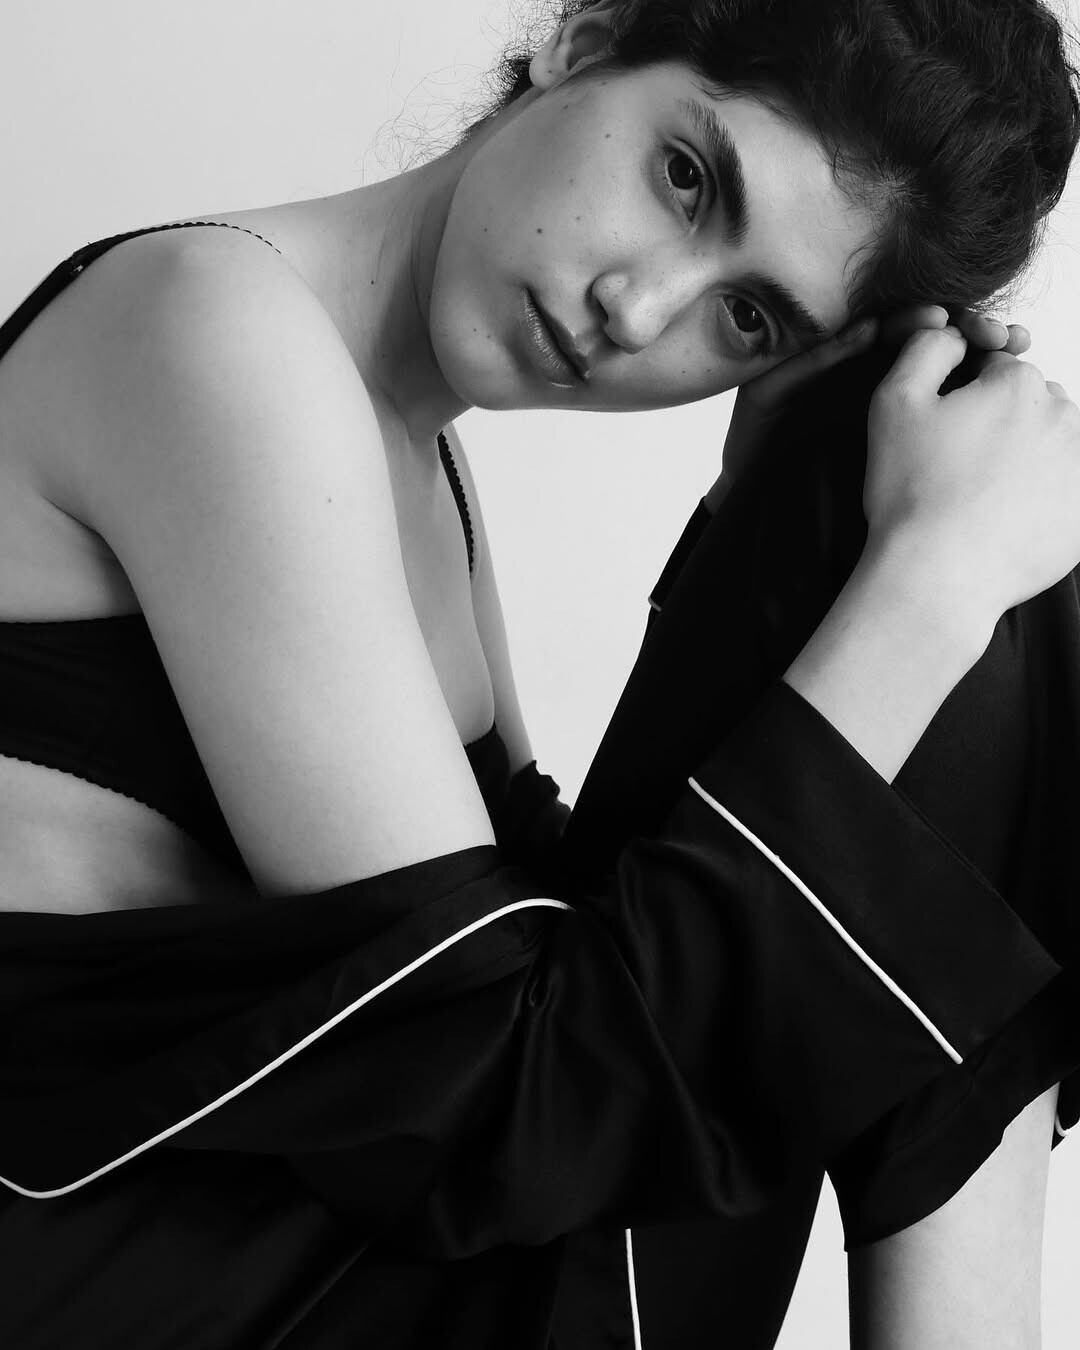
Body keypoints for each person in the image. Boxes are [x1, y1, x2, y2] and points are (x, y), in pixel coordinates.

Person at [0, 0, 1077, 1345]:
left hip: (348, 1249)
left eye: (747, 318)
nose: (638, 309)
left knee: (882, 506)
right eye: (685, 177)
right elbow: (519, 1094)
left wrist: (779, 519)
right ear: (594, 36)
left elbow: (564, 958)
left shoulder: (416, 468)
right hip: (173, 1291)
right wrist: (929, 586)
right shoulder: (208, 327)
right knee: (923, 568)